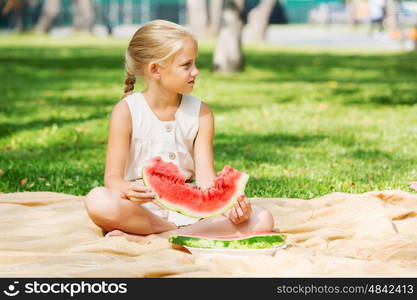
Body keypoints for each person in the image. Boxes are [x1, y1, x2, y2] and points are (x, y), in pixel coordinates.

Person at [84, 20, 275, 243]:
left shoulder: (201, 112)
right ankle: (168, 232)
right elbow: (112, 179)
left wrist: (231, 207)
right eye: (186, 65)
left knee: (263, 218)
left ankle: (156, 237)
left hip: (190, 214)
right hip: (140, 210)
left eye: (195, 63)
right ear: (155, 69)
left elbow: (206, 181)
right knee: (98, 199)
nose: (196, 71)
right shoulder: (127, 111)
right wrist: (128, 189)